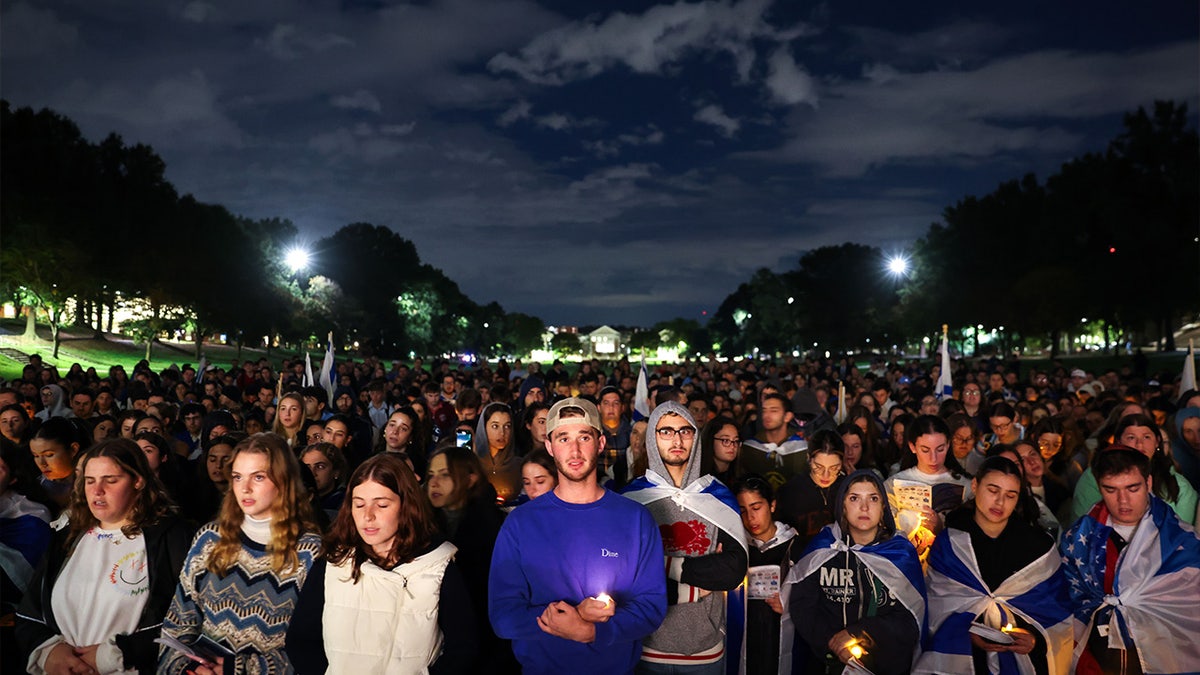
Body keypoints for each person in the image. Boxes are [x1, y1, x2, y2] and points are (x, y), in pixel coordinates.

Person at [488, 397, 666, 675]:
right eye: (563, 438)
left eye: (584, 437)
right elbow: (503, 617)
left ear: (601, 443)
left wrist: (593, 632)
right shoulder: (520, 524)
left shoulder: (635, 519)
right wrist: (573, 617)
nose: (574, 450)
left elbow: (651, 608)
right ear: (549, 447)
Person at [16, 438, 194, 675]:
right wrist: (49, 651)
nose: (97, 491)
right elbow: (30, 611)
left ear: (138, 481)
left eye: (111, 480)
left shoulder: (172, 537)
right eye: (90, 481)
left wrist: (117, 653)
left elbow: (188, 620)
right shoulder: (67, 536)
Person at [285, 454, 475, 673]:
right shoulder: (333, 563)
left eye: (382, 505)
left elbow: (462, 648)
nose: (368, 516)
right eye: (359, 505)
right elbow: (301, 640)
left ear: (406, 505)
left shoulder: (438, 566)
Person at [158, 433, 323, 675]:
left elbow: (313, 649)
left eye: (258, 477)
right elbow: (179, 621)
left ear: (284, 480)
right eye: (237, 477)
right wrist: (187, 668)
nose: (244, 488)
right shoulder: (210, 538)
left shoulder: (310, 552)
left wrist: (237, 669)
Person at [915, 457, 1072, 675]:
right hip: (962, 658)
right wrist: (965, 631)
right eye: (993, 490)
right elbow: (934, 606)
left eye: (1010, 495)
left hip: (1021, 662)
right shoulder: (950, 541)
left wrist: (1035, 639)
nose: (1000, 502)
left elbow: (1058, 614)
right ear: (975, 485)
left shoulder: (1039, 547)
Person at [622, 401, 748, 673]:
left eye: (685, 431)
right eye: (666, 431)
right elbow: (625, 577)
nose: (677, 439)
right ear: (652, 439)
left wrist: (664, 564)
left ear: (696, 437)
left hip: (705, 648)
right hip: (647, 646)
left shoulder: (718, 496)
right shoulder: (631, 500)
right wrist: (693, 588)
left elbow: (732, 570)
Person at [1060, 447, 1200, 673]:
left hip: (1160, 659)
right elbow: (1062, 600)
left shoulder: (1183, 544)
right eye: (1111, 489)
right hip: (1096, 659)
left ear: (1149, 482)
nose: (1123, 500)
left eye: (1132, 488)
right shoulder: (1077, 541)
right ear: (1098, 486)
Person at [785, 470, 926, 675]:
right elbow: (803, 607)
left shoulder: (900, 554)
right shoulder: (822, 548)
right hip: (830, 663)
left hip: (886, 667)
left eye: (873, 498)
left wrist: (858, 633)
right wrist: (833, 645)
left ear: (883, 507)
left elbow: (912, 620)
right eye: (854, 498)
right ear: (842, 506)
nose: (864, 507)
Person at [425, 444, 512, 672]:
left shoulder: (494, 526)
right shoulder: (423, 525)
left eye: (445, 475)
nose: (434, 483)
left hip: (485, 640)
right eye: (431, 475)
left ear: (470, 479)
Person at [1070, 413, 1197, 525]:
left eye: (1146, 437)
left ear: (1157, 442)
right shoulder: (1094, 476)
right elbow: (1084, 523)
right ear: (1119, 441)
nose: (1139, 444)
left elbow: (1182, 532)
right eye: (1131, 437)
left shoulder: (1178, 483)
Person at [733, 475, 803, 675]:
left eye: (756, 508)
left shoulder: (794, 545)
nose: (750, 518)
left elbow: (812, 596)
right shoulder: (737, 547)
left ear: (772, 505)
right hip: (746, 633)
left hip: (781, 634)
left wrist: (791, 603)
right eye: (742, 510)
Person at [884, 415, 971, 561]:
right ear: (913, 447)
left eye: (940, 449)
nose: (933, 458)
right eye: (925, 450)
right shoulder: (894, 484)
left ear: (948, 445)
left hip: (948, 567)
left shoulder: (965, 486)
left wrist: (941, 527)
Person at [774, 428, 844, 547]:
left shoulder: (848, 490)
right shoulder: (790, 491)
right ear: (809, 459)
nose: (825, 475)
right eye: (818, 466)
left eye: (834, 468)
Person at [740, 392, 807, 488]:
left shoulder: (802, 448)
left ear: (787, 416)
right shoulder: (750, 448)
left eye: (774, 411)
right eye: (764, 411)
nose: (767, 415)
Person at [475, 403, 522, 507]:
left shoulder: (520, 466)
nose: (502, 433)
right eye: (495, 426)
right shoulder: (472, 465)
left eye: (507, 426)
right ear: (484, 428)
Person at [300, 442, 348, 520]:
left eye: (320, 467)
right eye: (307, 467)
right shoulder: (297, 501)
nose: (312, 473)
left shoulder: (344, 503)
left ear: (336, 471)